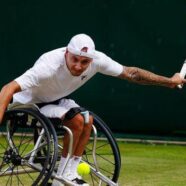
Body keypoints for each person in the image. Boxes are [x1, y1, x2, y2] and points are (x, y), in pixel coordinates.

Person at [0, 34, 185, 186]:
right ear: (66, 53)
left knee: (87, 119)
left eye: (85, 62)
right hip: (29, 104)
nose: (79, 66)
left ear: (91, 59)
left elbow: (132, 73)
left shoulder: (97, 60)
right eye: (75, 60)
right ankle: (63, 177)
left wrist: (169, 81)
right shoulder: (49, 65)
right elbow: (7, 89)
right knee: (77, 120)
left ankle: (69, 174)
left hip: (56, 100)